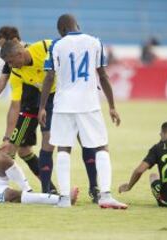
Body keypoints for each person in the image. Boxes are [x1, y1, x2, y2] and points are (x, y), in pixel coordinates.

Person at [38, 14, 127, 209]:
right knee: (101, 146)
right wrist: (112, 106)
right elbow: (103, 76)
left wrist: (42, 107)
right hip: (89, 104)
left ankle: (63, 199)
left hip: (63, 105)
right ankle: (105, 195)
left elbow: (49, 77)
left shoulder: (56, 45)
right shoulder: (95, 42)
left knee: (63, 148)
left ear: (61, 30)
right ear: (77, 25)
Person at [0, 38, 100, 200]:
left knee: (84, 139)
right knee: (47, 140)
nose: (10, 66)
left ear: (19, 54)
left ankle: (94, 188)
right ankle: (47, 191)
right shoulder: (17, 73)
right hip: (48, 100)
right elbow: (15, 105)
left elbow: (70, 54)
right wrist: (7, 136)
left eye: (11, 61)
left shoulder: (46, 46)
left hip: (70, 94)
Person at [0, 26, 56, 194]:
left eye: (3, 45)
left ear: (15, 42)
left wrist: (7, 136)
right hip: (31, 106)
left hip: (31, 108)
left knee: (10, 149)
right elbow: (3, 81)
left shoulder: (24, 57)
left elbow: (12, 98)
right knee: (24, 150)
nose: (2, 51)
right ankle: (49, 189)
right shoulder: (13, 62)